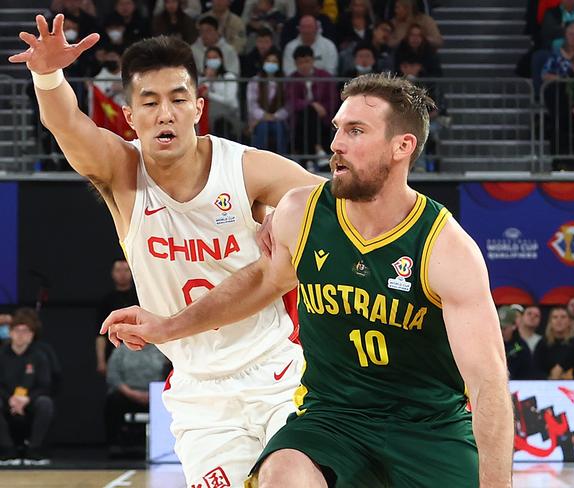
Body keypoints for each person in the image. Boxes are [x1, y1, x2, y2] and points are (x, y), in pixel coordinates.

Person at [103, 73, 514, 488]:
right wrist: (167, 326)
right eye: (337, 129)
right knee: (282, 473)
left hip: (428, 427)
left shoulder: (446, 248)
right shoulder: (302, 212)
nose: (336, 144)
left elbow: (488, 384)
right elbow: (258, 284)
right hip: (332, 420)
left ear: (401, 147)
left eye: (356, 131)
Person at [10, 16, 323, 487]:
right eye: (150, 102)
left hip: (278, 373)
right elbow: (68, 125)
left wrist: (290, 212)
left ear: (197, 107)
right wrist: (48, 77)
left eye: (178, 99)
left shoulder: (246, 169)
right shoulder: (122, 172)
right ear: (130, 116)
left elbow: (337, 204)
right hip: (198, 391)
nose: (165, 113)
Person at [0, 312, 54, 465]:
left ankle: (34, 450)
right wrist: (9, 398)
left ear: (32, 335)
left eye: (26, 331)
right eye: (17, 331)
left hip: (30, 401)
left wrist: (27, 399)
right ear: (10, 333)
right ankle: (7, 450)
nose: (21, 335)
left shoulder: (39, 356)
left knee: (45, 403)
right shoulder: (2, 355)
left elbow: (45, 385)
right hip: (6, 400)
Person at [105, 343, 169, 454]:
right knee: (113, 401)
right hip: (128, 393)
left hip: (156, 394)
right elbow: (113, 375)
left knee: (170, 401)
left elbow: (169, 373)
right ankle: (115, 444)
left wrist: (154, 394)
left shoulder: (161, 349)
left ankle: (165, 448)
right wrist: (131, 393)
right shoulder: (121, 351)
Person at [96, 258, 138, 376]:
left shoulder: (140, 297)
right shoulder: (106, 301)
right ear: (113, 273)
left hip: (142, 351)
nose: (122, 274)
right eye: (118, 270)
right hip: (115, 350)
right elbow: (100, 334)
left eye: (126, 270)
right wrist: (101, 361)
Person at [247, 50, 289, 153]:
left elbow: (288, 105)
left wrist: (276, 116)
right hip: (260, 120)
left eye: (274, 61)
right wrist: (264, 116)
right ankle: (258, 160)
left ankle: (282, 160)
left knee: (278, 128)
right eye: (268, 61)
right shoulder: (255, 81)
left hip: (278, 119)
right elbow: (252, 105)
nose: (271, 64)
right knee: (263, 127)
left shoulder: (285, 82)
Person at [198, 46, 241, 139]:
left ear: (221, 59)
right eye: (209, 58)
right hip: (207, 116)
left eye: (215, 57)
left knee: (221, 123)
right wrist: (208, 78)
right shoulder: (202, 79)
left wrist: (210, 95)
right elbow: (200, 93)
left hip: (228, 115)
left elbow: (230, 100)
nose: (212, 60)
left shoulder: (229, 77)